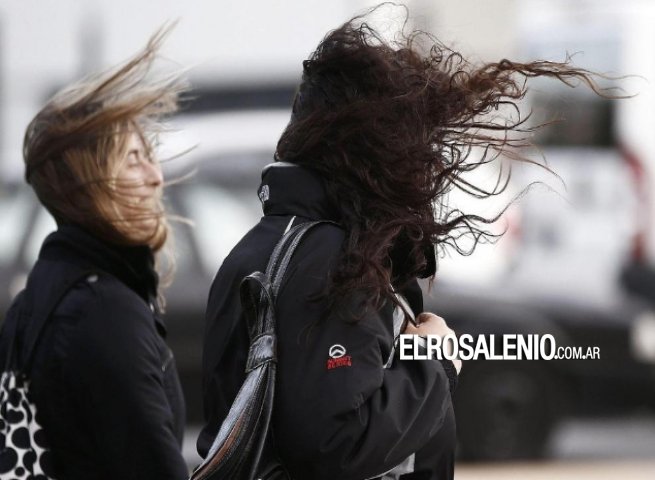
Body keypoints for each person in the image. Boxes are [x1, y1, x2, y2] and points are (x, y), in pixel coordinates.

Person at [198, 8, 605, 480]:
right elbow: (336, 445)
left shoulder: (263, 246)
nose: (425, 160)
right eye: (411, 140)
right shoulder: (328, 257)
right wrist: (435, 362)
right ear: (370, 146)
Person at [0, 29, 189, 479]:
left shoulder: (36, 300)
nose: (156, 176)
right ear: (89, 185)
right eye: (132, 159)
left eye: (150, 155)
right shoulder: (105, 314)